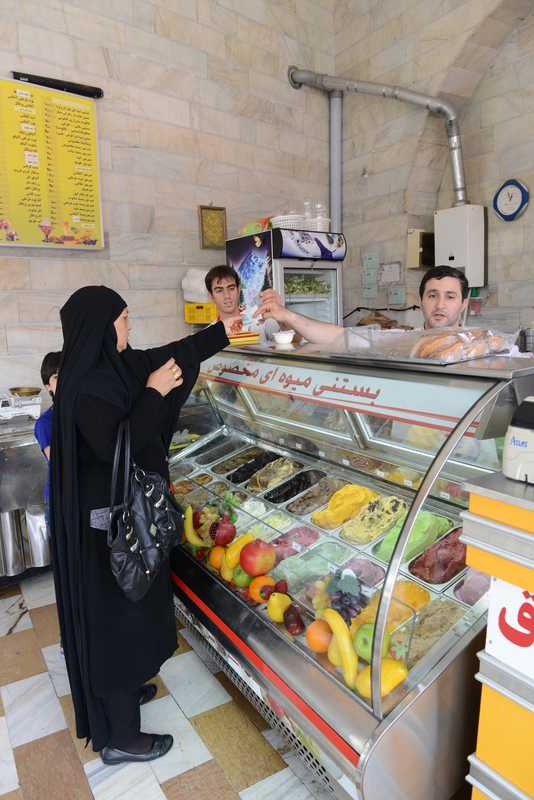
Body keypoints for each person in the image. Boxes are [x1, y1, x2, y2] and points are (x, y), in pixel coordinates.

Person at [50, 286, 238, 766]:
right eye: (125, 318)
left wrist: (225, 331)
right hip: (105, 535)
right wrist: (155, 393)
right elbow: (120, 448)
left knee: (134, 617)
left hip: (124, 523)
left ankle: (124, 694)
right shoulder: (86, 386)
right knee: (116, 624)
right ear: (101, 325)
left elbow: (171, 354)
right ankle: (120, 740)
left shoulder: (117, 365)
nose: (130, 327)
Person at [254, 265, 471, 343]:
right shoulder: (403, 341)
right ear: (420, 300)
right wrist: (288, 316)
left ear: (463, 303)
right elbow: (340, 337)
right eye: (433, 295)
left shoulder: (480, 347)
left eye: (450, 297)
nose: (440, 304)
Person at [205, 264, 280, 342]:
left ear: (238, 290)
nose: (227, 295)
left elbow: (290, 341)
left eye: (231, 288)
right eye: (219, 290)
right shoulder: (209, 334)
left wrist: (285, 316)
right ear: (211, 296)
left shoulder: (259, 317)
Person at [34, 351, 61, 533]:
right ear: (47, 386)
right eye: (57, 377)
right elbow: (58, 460)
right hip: (58, 499)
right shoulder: (45, 422)